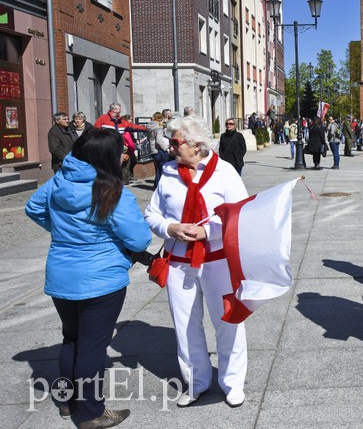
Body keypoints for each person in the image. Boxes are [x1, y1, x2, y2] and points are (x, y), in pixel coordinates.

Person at [26, 128, 152, 428]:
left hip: (62, 274)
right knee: (93, 348)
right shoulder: (112, 189)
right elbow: (138, 239)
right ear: (106, 156)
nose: (124, 155)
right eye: (120, 150)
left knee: (71, 339)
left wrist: (60, 232)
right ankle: (91, 412)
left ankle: (68, 402)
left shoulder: (59, 180)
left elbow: (33, 208)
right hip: (101, 278)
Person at [144, 116, 250, 408]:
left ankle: (232, 382)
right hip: (178, 261)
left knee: (227, 321)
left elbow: (238, 215)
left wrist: (207, 230)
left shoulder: (225, 172)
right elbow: (152, 214)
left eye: (175, 142)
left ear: (195, 144)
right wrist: (170, 228)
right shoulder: (167, 173)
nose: (170, 148)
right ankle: (196, 381)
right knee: (185, 324)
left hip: (217, 260)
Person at [146, 111, 170, 188]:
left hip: (153, 150)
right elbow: (159, 140)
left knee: (157, 170)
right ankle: (160, 187)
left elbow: (149, 139)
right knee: (163, 170)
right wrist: (166, 148)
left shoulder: (150, 126)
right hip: (159, 150)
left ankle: (157, 186)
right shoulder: (159, 128)